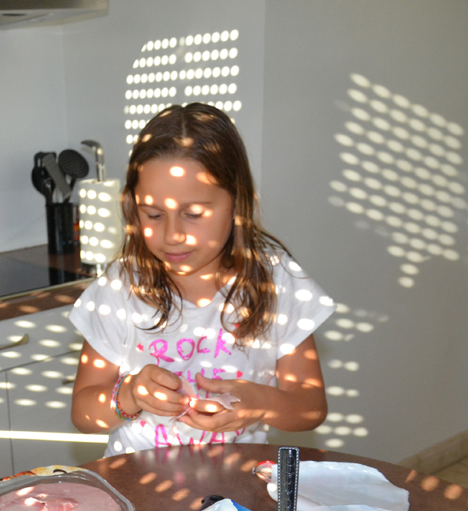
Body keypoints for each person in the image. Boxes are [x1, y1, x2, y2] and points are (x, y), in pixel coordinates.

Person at [69, 103, 333, 456]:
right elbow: (83, 413)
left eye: (193, 214)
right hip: (136, 478)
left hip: (237, 478)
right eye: (153, 214)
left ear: (237, 203)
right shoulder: (119, 288)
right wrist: (129, 394)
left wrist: (261, 403)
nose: (172, 235)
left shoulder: (278, 282)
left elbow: (311, 408)